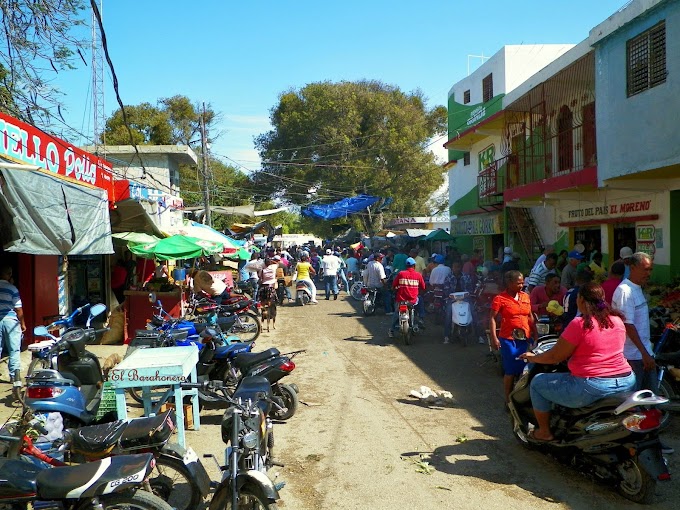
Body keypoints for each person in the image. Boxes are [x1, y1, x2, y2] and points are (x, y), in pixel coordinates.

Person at [519, 282, 636, 441]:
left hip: (593, 386)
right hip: (626, 380)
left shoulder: (579, 324)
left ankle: (544, 432)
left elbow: (554, 357)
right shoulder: (617, 320)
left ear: (581, 300)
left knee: (538, 383)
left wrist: (532, 357)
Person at [490, 270, 536, 404]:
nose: (521, 286)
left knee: (526, 370)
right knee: (510, 371)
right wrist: (494, 338)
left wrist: (536, 334)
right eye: (518, 283)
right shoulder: (500, 299)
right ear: (509, 283)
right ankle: (508, 400)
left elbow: (530, 316)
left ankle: (522, 399)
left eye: (522, 283)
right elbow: (492, 318)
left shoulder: (525, 297)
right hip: (509, 340)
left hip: (525, 339)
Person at [388, 258, 425, 338]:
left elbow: (394, 285)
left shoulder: (401, 274)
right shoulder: (418, 275)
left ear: (406, 266)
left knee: (396, 313)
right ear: (414, 266)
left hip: (401, 300)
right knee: (420, 302)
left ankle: (391, 329)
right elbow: (423, 287)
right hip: (413, 301)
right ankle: (421, 319)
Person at [0, 266, 26, 383]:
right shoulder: (12, 288)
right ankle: (14, 377)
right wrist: (23, 324)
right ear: (9, 275)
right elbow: (18, 309)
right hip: (10, 321)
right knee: (14, 349)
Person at [442, 260, 475, 344]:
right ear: (452, 268)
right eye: (454, 267)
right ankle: (447, 336)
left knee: (474, 313)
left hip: (465, 299)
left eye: (458, 267)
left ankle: (479, 336)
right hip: (452, 299)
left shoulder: (466, 277)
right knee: (448, 315)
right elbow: (446, 289)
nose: (456, 269)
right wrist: (450, 294)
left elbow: (470, 288)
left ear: (461, 268)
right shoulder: (448, 277)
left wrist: (467, 294)